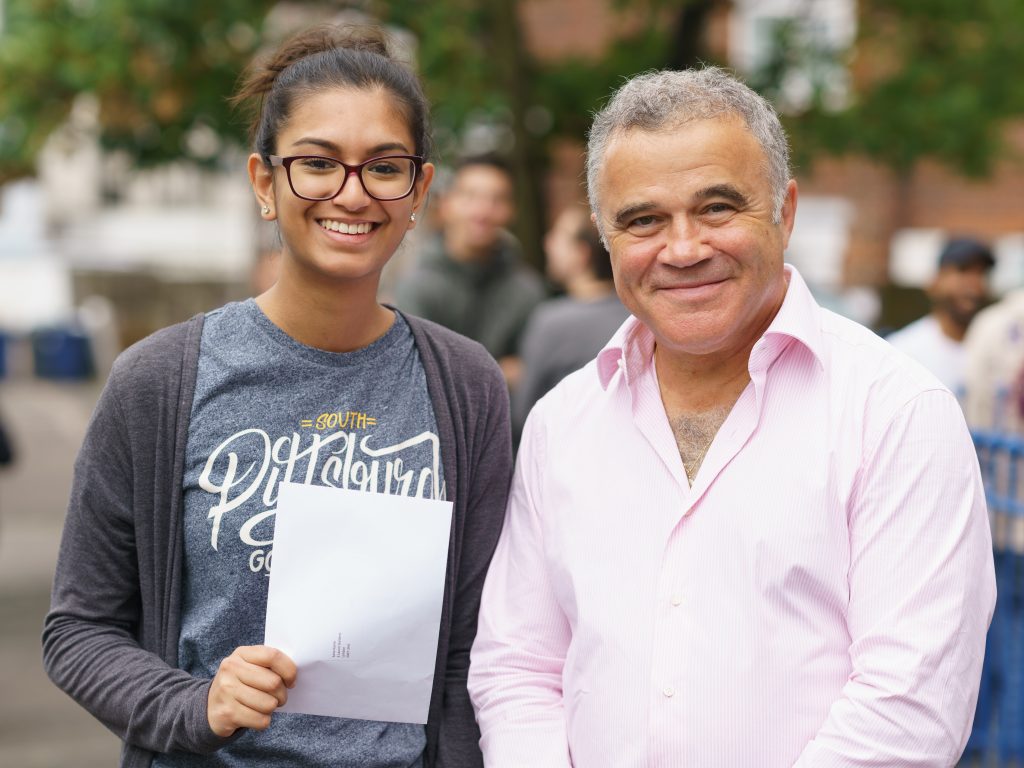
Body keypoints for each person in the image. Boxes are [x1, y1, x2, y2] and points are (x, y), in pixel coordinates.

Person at [468, 67, 995, 766]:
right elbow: (519, 666)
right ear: (604, 235)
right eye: (643, 219)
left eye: (717, 207)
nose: (683, 250)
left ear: (785, 210)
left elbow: (909, 706)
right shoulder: (561, 423)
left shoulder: (896, 412)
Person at [43, 25, 512, 768]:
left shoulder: (465, 384)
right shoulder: (160, 381)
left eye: (384, 167)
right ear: (264, 182)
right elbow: (79, 630)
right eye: (317, 164)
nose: (351, 193)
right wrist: (196, 704)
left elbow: (477, 644)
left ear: (420, 190)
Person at [394, 155, 546, 387]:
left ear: (511, 210)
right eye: (470, 196)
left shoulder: (527, 290)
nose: (483, 210)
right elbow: (416, 373)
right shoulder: (417, 286)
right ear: (447, 205)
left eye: (497, 199)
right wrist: (499, 373)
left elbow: (533, 372)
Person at [513, 205, 629, 434]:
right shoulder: (634, 315)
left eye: (558, 237)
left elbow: (522, 412)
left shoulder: (552, 322)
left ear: (582, 253)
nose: (547, 243)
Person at [886, 236, 994, 394]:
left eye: (981, 273)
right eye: (963, 270)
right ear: (934, 282)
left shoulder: (998, 349)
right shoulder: (903, 352)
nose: (974, 282)